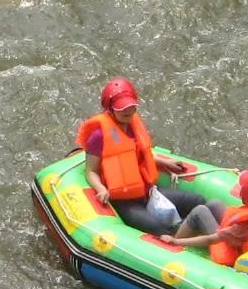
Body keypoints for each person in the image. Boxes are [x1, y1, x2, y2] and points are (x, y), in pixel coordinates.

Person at [76, 78, 201, 234]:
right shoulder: (98, 136)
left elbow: (137, 156)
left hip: (147, 191)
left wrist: (164, 162)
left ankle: (191, 233)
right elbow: (91, 171)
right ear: (110, 108)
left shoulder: (133, 125)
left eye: (131, 106)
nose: (127, 111)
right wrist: (101, 189)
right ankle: (178, 239)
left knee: (197, 201)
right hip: (123, 201)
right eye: (121, 108)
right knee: (159, 230)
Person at [162, 169, 248, 266]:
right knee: (214, 204)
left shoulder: (241, 227)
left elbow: (210, 239)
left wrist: (176, 242)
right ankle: (189, 227)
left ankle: (176, 238)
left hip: (231, 251)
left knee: (199, 211)